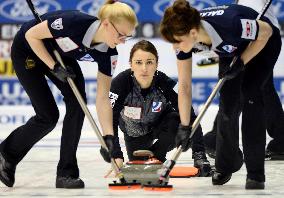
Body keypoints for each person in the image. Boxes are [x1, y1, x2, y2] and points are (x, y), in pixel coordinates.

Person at [0, 0, 137, 188]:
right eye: (121, 35)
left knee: (78, 105)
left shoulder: (109, 54)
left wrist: (109, 137)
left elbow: (103, 97)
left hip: (60, 53)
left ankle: (66, 173)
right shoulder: (72, 22)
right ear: (106, 23)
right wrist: (54, 67)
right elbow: (32, 35)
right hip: (28, 50)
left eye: (127, 37)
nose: (122, 41)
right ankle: (6, 153)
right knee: (48, 116)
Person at [160, 0, 281, 189]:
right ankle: (226, 165)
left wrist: (242, 61)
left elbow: (266, 32)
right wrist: (185, 126)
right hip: (230, 48)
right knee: (227, 107)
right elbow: (184, 86)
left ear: (193, 33)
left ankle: (255, 174)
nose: (175, 47)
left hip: (263, 43)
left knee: (251, 100)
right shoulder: (186, 41)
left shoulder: (230, 23)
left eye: (177, 41)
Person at [99, 40, 212, 177]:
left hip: (162, 127)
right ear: (131, 64)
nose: (144, 68)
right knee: (138, 164)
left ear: (156, 64)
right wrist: (116, 155)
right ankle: (150, 159)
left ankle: (157, 157)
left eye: (149, 62)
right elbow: (111, 118)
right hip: (134, 133)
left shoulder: (165, 83)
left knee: (179, 121)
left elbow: (190, 113)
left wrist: (199, 155)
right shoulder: (121, 83)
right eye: (139, 62)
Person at [203, 0, 284, 161]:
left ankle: (217, 139)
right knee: (258, 87)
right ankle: (281, 139)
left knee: (246, 87)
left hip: (260, 32)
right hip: (243, 32)